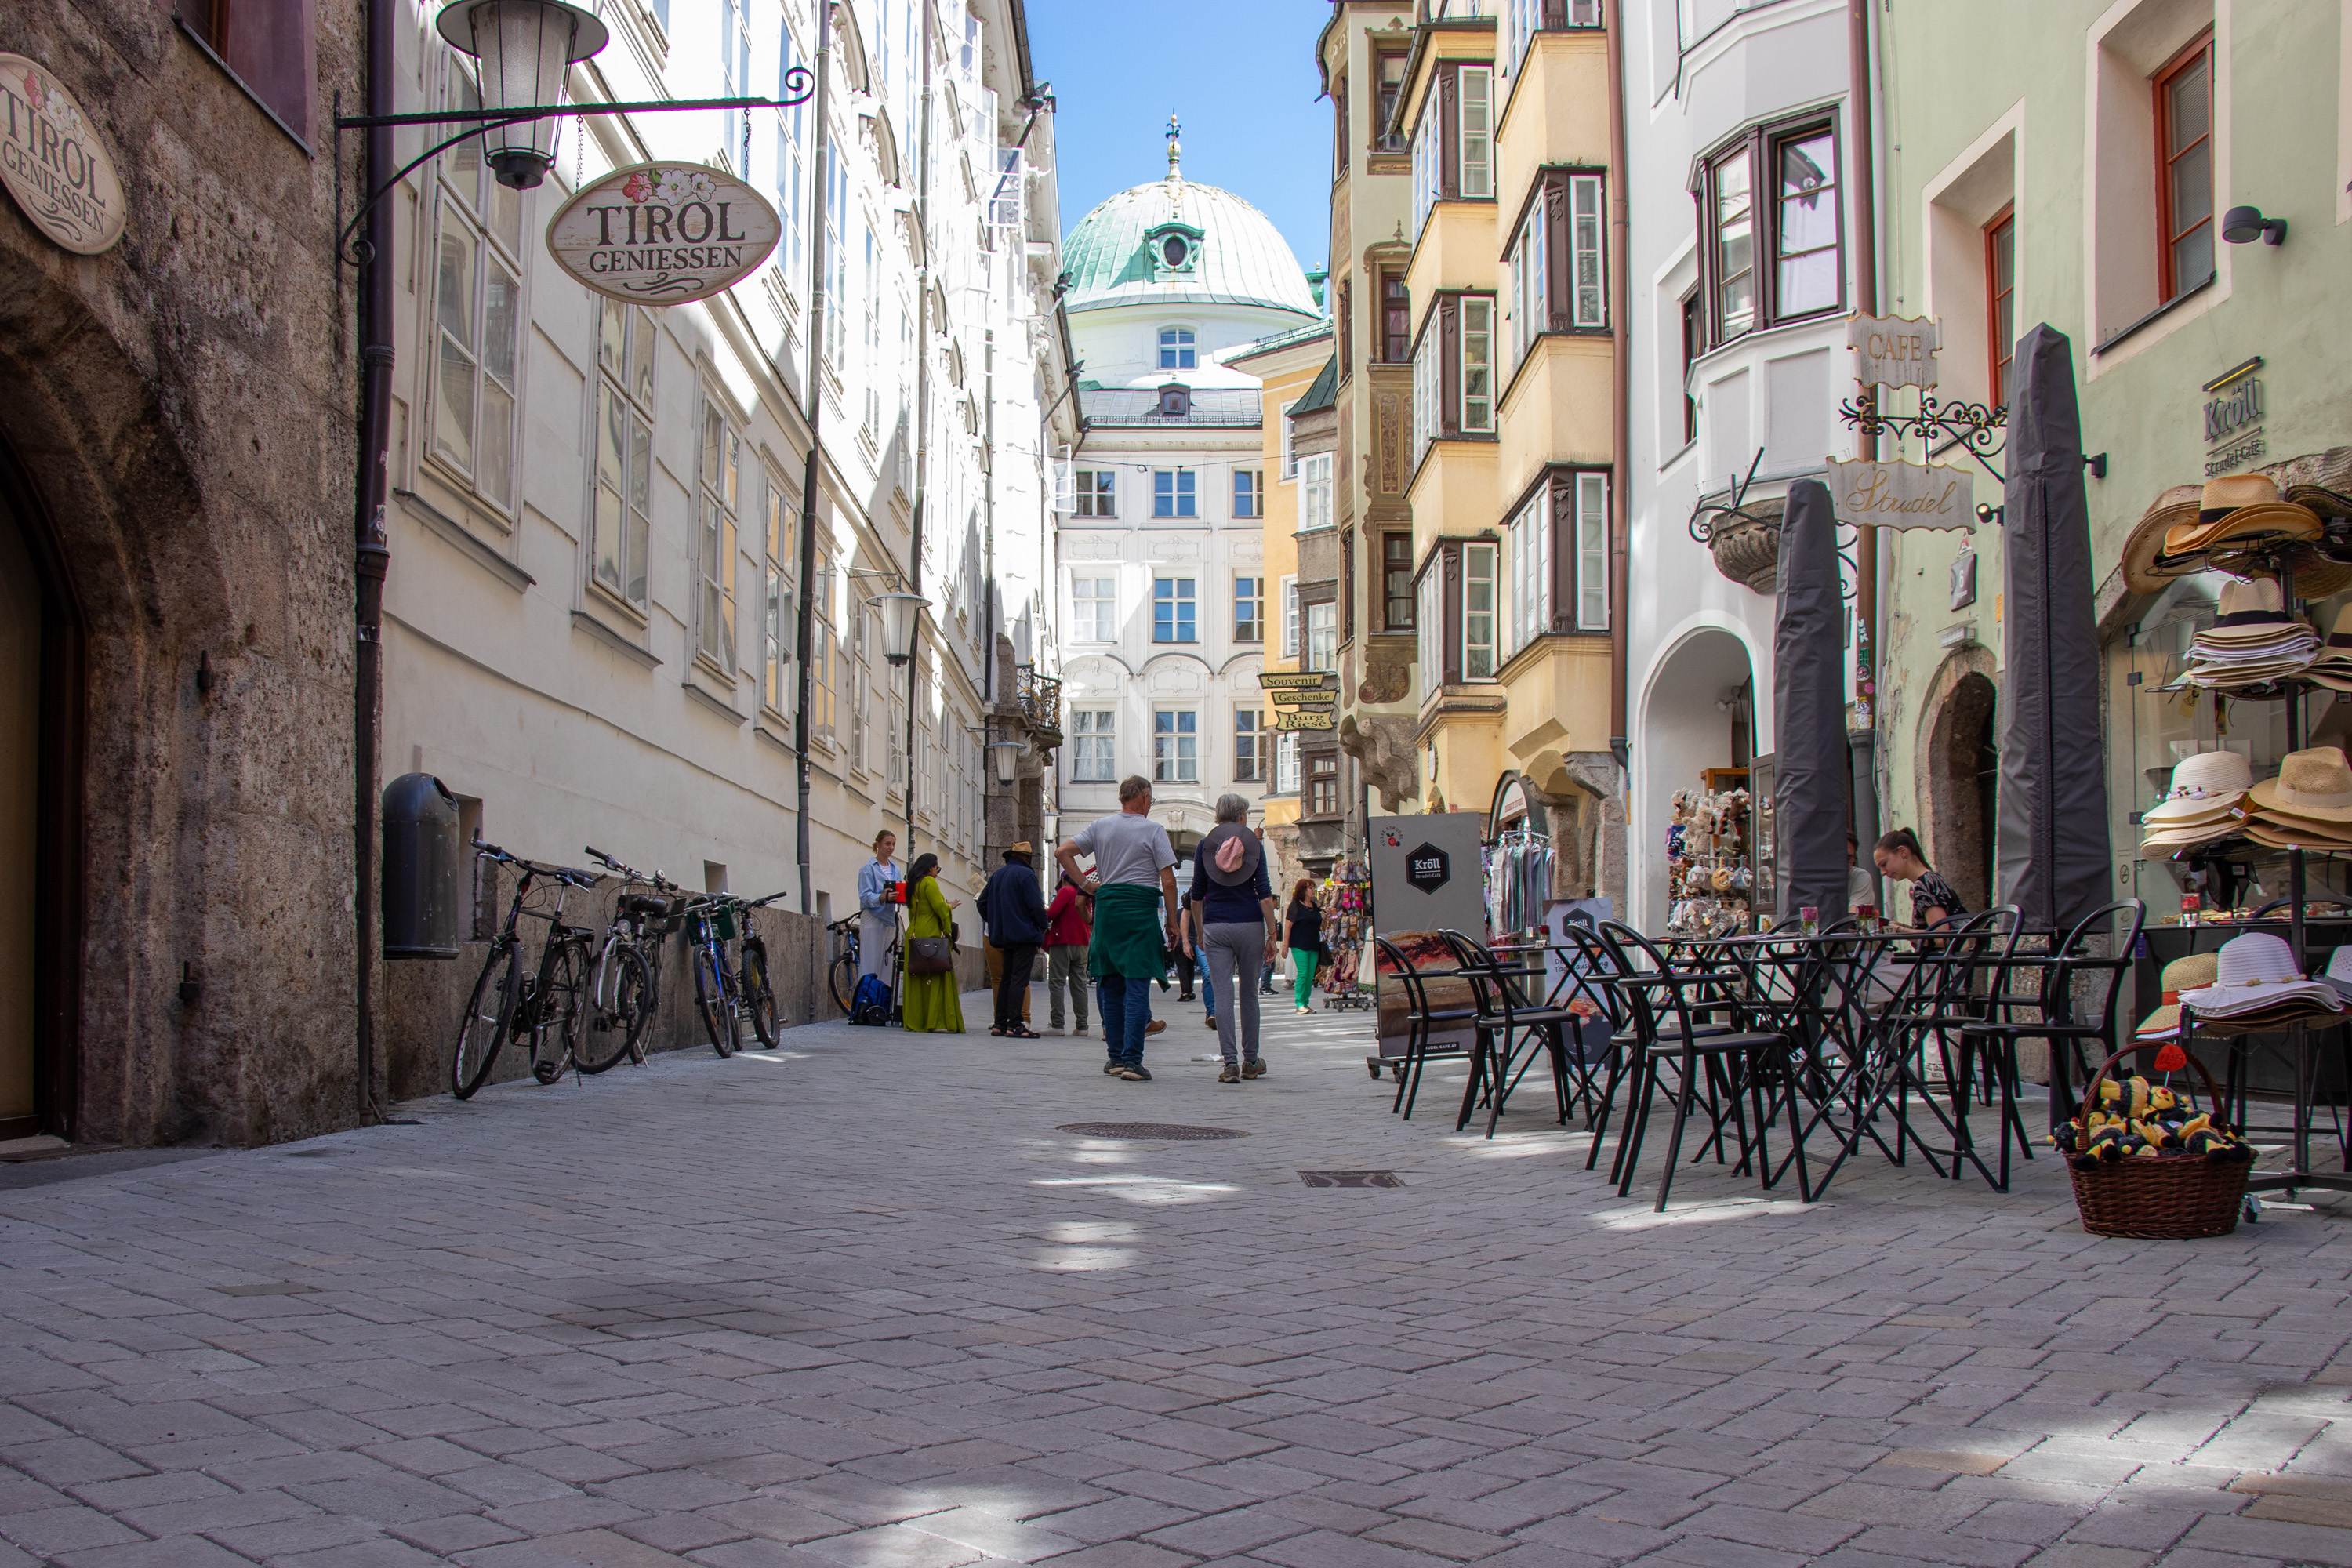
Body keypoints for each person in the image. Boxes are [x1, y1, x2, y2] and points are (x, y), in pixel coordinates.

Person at [1056, 776, 1180, 1081]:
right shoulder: (1153, 830)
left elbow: (1062, 853)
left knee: (1110, 985)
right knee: (1137, 985)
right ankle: (1132, 1062)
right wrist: (1173, 922)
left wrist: (1086, 885)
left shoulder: (1101, 826)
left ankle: (1114, 1058)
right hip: (1138, 911)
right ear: (1144, 797)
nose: (1151, 804)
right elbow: (1167, 880)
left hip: (1108, 909)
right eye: (1150, 800)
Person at [1184, 796, 1278, 1082]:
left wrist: (1200, 932)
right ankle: (1251, 1060)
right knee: (1249, 994)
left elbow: (1196, 895)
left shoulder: (1205, 846)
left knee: (1223, 994)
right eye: (1246, 813)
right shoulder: (1253, 846)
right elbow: (1264, 893)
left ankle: (1230, 1064)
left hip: (1216, 926)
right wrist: (1272, 934)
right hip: (1249, 924)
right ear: (1240, 816)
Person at [978, 842, 1047, 1038]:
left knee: (1006, 979)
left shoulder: (997, 875)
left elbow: (982, 904)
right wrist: (1042, 924)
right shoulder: (1026, 875)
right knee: (1019, 979)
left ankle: (1000, 1023)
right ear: (1026, 858)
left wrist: (996, 920)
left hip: (1003, 935)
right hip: (1025, 935)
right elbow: (1035, 906)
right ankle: (1016, 1024)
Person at [898, 853, 964, 1033]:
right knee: (935, 976)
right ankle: (935, 1021)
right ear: (930, 868)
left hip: (914, 931)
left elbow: (912, 912)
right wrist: (949, 907)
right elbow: (939, 908)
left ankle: (916, 1019)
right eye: (937, 868)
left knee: (916, 977)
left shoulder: (913, 884)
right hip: (930, 933)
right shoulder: (929, 882)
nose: (937, 872)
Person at [1874, 828, 1968, 930]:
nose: (1883, 873)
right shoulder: (1932, 879)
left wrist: (1899, 930)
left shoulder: (1925, 885)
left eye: (1884, 864)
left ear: (1902, 852)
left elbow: (1940, 937)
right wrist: (1901, 928)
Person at [1043, 873, 1092, 1036]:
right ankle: (1082, 1026)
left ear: (1063, 880)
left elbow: (1051, 915)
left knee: (1057, 982)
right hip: (1082, 942)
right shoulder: (1085, 894)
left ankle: (1057, 1024)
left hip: (1063, 941)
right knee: (1079, 984)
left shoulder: (1066, 892)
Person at [856, 831, 902, 984]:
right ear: (878, 845)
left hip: (889, 917)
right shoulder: (868, 869)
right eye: (888, 844)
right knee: (870, 961)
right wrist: (881, 897)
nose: (891, 848)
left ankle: (883, 999)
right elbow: (864, 896)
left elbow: (899, 891)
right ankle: (867, 999)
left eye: (893, 844)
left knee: (888, 962)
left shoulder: (895, 868)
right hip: (873, 916)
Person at [1283, 877, 1324, 1014]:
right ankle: (1299, 1003)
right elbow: (1288, 926)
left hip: (1313, 945)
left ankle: (1305, 1003)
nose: (1313, 890)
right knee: (1303, 972)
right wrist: (1285, 946)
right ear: (1303, 890)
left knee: (1310, 975)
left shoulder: (1315, 906)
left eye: (1313, 887)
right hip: (1299, 945)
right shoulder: (1295, 906)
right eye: (1310, 888)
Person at [1846, 832, 1877, 913]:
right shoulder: (1813, 877)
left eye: (1848, 859)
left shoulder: (1859, 877)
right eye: (1839, 857)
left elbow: (1853, 920)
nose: (1843, 864)